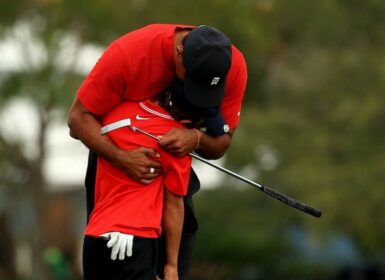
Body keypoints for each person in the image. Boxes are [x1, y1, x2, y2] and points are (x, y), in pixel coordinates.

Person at [68, 23, 247, 279]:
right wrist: (121, 157)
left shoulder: (233, 65)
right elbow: (77, 119)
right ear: (179, 54)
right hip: (112, 154)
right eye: (195, 85)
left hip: (102, 235)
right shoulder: (127, 55)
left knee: (183, 227)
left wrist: (195, 138)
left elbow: (222, 141)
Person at [83, 81, 221, 280]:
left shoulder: (117, 111)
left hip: (94, 238)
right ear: (190, 120)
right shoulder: (177, 142)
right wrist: (172, 266)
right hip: (134, 239)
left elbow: (79, 127)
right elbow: (173, 205)